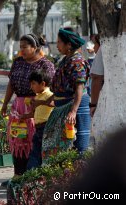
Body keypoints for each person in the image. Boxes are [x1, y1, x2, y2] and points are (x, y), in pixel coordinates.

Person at [0, 34, 55, 179]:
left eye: (25, 47)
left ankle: (33, 175)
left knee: (32, 140)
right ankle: (18, 174)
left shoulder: (45, 65)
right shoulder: (18, 61)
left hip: (36, 106)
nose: (22, 50)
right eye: (20, 47)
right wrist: (5, 103)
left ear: (35, 47)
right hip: (18, 106)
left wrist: (39, 104)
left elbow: (51, 89)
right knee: (17, 139)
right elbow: (11, 84)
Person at [42, 28, 91, 161]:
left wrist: (73, 111)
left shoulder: (77, 62)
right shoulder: (66, 60)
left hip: (75, 107)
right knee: (61, 146)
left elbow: (79, 88)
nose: (57, 45)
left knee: (78, 144)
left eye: (59, 42)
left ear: (69, 45)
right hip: (63, 106)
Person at [23, 70, 54, 170]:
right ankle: (33, 174)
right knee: (36, 152)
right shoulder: (37, 96)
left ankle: (34, 174)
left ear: (43, 83)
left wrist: (40, 102)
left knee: (41, 153)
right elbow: (35, 113)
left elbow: (53, 103)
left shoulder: (49, 95)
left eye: (33, 83)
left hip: (46, 128)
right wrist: (25, 116)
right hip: (38, 128)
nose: (31, 86)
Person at [89, 34, 103, 117]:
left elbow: (96, 78)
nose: (93, 48)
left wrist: (93, 105)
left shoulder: (102, 50)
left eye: (95, 44)